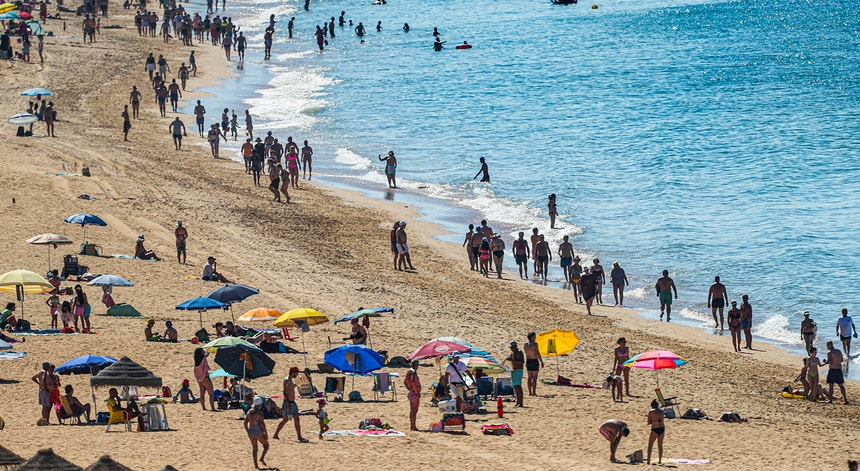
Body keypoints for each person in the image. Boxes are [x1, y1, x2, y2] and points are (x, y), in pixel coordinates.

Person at [272, 366, 308, 442]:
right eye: (296, 373)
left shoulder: (290, 380)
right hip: (288, 404)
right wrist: (288, 404)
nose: (297, 375)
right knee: (286, 419)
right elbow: (285, 392)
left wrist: (297, 384)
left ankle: (299, 437)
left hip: (292, 403)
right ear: (293, 373)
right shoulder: (287, 380)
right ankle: (275, 434)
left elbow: (290, 388)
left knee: (296, 419)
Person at [504, 341, 524, 407]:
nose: (511, 349)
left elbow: (522, 362)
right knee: (515, 387)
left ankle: (521, 402)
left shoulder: (519, 352)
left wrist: (513, 361)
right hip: (513, 370)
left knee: (518, 386)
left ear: (516, 346)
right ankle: (518, 402)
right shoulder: (512, 353)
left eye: (512, 347)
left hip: (518, 370)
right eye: (511, 348)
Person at [404, 359, 421, 431]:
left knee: (412, 411)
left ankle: (412, 426)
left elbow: (405, 382)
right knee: (414, 410)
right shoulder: (413, 372)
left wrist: (409, 389)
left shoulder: (409, 372)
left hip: (411, 392)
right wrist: (416, 390)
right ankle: (413, 426)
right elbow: (413, 382)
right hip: (414, 393)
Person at [646, 400, 665, 465]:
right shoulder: (661, 411)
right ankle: (660, 460)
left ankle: (648, 461)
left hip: (655, 428)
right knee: (660, 445)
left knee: (650, 445)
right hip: (662, 428)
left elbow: (649, 422)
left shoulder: (651, 411)